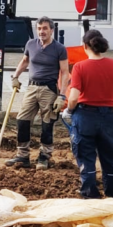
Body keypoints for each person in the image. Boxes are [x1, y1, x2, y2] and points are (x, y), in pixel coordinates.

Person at [65, 30, 113, 200]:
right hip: (108, 117)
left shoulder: (80, 67)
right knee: (109, 159)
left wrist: (68, 111)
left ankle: (90, 196)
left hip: (85, 117)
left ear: (85, 46)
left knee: (86, 158)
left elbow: (74, 97)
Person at [10, 16, 69, 170]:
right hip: (31, 88)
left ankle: (44, 156)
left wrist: (62, 96)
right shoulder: (31, 44)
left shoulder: (59, 48)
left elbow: (65, 73)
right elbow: (24, 61)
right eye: (39, 28)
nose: (41, 31)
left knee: (47, 124)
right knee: (22, 120)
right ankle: (23, 156)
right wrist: (15, 77)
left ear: (51, 30)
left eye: (45, 28)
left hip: (49, 89)